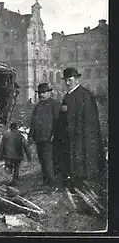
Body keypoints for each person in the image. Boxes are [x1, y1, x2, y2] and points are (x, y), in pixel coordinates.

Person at [53, 67, 106, 200]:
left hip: (82, 135)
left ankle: (83, 182)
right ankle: (74, 182)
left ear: (76, 79)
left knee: (82, 157)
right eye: (65, 80)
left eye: (70, 80)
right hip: (69, 136)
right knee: (71, 159)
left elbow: (90, 119)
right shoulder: (67, 96)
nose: (67, 83)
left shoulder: (85, 95)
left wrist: (83, 133)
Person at [28, 83, 60, 187]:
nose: (41, 95)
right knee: (42, 160)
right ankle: (46, 181)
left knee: (48, 161)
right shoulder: (38, 106)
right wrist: (31, 136)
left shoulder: (54, 104)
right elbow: (33, 122)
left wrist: (54, 135)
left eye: (44, 92)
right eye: (40, 93)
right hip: (39, 138)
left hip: (49, 139)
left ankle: (52, 183)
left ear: (49, 93)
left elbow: (58, 122)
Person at [0, 122, 32, 186]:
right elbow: (26, 146)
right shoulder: (20, 135)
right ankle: (15, 181)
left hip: (8, 156)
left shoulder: (5, 135)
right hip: (18, 156)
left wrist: (0, 156)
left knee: (8, 168)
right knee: (16, 169)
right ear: (16, 128)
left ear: (10, 127)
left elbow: (1, 146)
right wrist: (29, 157)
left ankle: (7, 182)